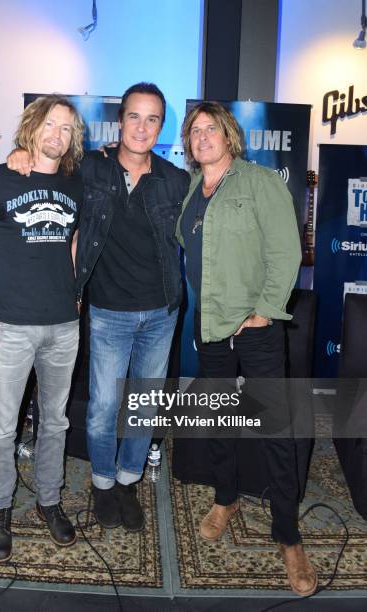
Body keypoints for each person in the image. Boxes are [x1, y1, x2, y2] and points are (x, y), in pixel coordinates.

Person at [8, 83, 190, 532]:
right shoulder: (90, 169)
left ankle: (128, 481)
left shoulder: (175, 180)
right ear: (120, 121)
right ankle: (103, 484)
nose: (142, 127)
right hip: (108, 311)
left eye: (152, 119)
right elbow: (48, 162)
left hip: (161, 312)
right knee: (105, 406)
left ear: (160, 127)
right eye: (134, 116)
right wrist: (19, 155)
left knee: (144, 405)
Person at [177, 101, 318, 596]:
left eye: (210, 128)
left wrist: (262, 311)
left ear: (230, 135)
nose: (202, 136)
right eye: (194, 130)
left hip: (256, 328)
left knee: (275, 428)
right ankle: (225, 498)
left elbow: (286, 251)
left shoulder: (259, 182)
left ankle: (288, 535)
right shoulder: (194, 189)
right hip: (210, 325)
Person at [0, 94, 84, 562]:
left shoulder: (75, 184)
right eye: (50, 124)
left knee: (57, 421)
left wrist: (74, 295)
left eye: (66, 128)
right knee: (2, 427)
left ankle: (49, 501)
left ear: (73, 138)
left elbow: (70, 241)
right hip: (8, 327)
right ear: (32, 126)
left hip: (63, 328)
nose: (57, 134)